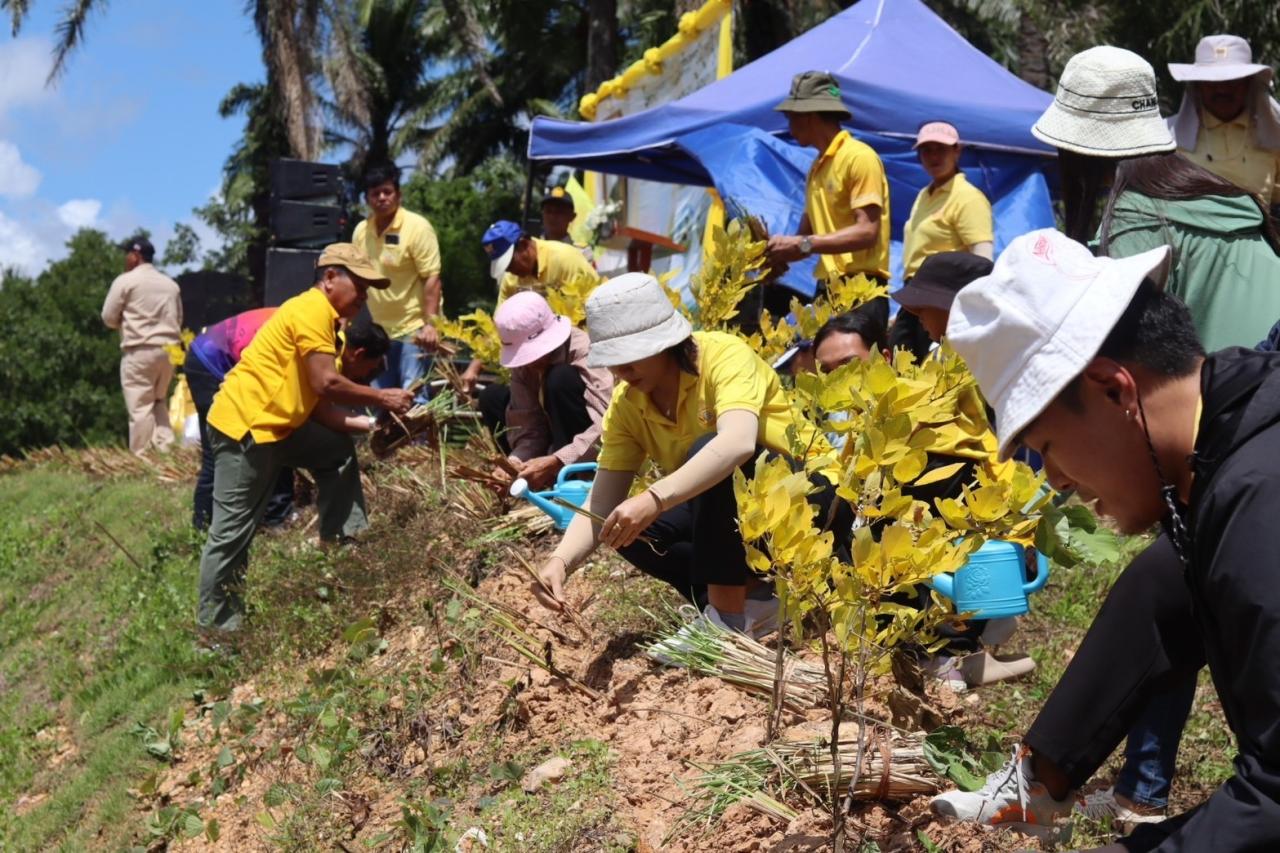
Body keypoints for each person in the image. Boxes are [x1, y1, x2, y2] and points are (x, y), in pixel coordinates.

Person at [936, 227, 1280, 851]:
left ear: (1114, 388)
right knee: (1165, 572)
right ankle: (1035, 782)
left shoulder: (1262, 502)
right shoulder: (1233, 418)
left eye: (1048, 450)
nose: (1061, 482)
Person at [530, 273, 850, 638]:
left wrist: (654, 498)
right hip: (739, 521)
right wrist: (560, 562)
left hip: (814, 501)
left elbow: (737, 444)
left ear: (665, 343)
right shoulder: (627, 404)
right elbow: (601, 500)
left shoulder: (724, 356)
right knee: (625, 527)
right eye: (613, 361)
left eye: (630, 356)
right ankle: (752, 603)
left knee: (709, 454)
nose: (620, 371)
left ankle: (728, 622)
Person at [196, 244, 413, 636]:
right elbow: (326, 382)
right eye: (359, 286)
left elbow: (319, 409)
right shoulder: (312, 310)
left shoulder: (331, 328)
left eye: (367, 290)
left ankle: (344, 545)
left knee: (335, 450)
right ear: (330, 278)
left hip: (279, 429)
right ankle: (215, 637)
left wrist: (371, 425)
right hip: (245, 428)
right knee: (231, 535)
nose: (364, 297)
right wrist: (383, 397)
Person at [1034, 45, 1280, 352]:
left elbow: (1127, 355)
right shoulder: (1218, 194)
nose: (1222, 89)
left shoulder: (1137, 219)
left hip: (1241, 392)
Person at [185, 310, 391, 530]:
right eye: (367, 371)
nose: (362, 380)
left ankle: (274, 516)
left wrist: (373, 425)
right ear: (358, 354)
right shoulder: (323, 348)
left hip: (219, 348)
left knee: (278, 432)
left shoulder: (330, 340)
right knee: (221, 452)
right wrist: (377, 410)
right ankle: (204, 529)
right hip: (212, 359)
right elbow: (318, 413)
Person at [765, 71, 891, 326]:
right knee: (822, 364)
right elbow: (805, 238)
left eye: (790, 117)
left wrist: (800, 245)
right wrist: (775, 255)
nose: (788, 126)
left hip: (862, 289)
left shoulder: (859, 157)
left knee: (855, 364)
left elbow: (867, 232)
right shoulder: (816, 169)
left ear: (808, 115)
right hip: (827, 288)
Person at [478, 292, 613, 490]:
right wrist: (514, 462)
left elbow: (608, 425)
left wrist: (558, 460)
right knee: (491, 396)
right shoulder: (523, 368)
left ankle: (576, 479)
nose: (530, 363)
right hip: (550, 440)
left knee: (560, 378)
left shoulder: (584, 351)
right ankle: (528, 479)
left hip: (587, 444)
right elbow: (529, 428)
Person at [459, 220, 603, 394]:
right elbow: (500, 328)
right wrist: (474, 368)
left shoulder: (564, 259)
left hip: (580, 352)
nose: (510, 271)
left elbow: (597, 307)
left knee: (558, 380)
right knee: (493, 397)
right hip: (536, 360)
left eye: (511, 263)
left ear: (524, 244)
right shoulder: (511, 279)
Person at [893, 122, 994, 361]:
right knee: (903, 362)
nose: (933, 156)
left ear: (957, 151)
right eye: (927, 150)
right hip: (916, 292)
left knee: (932, 368)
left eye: (941, 149)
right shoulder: (923, 195)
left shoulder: (968, 197)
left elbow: (981, 258)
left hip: (943, 298)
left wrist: (967, 307)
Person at [351, 162, 443, 396]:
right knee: (381, 397)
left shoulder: (418, 227)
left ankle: (418, 436)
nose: (382, 198)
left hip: (415, 329)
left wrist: (431, 326)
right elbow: (356, 278)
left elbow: (432, 278)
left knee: (414, 398)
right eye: (375, 193)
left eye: (387, 192)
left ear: (398, 195)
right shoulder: (361, 231)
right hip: (380, 330)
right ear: (366, 199)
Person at [1167, 34, 1280, 208]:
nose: (1222, 89)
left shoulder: (1273, 138)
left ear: (1249, 83)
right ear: (1197, 85)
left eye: (1232, 81)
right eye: (1212, 82)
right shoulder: (1167, 139)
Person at [101, 235, 183, 455]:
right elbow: (179, 319)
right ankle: (166, 450)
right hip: (169, 351)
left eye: (127, 254)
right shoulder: (170, 285)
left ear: (135, 256)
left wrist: (126, 323)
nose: (125, 259)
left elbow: (108, 317)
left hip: (140, 350)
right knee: (158, 401)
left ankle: (142, 457)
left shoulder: (126, 281)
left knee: (139, 406)